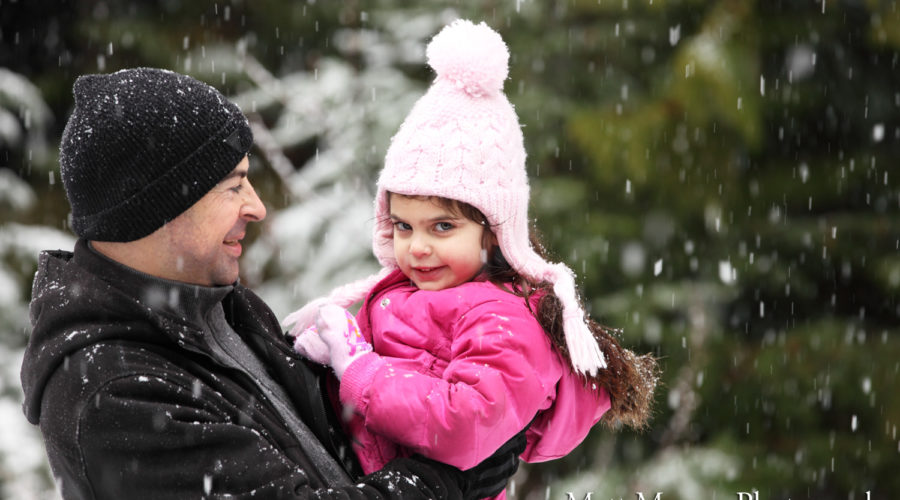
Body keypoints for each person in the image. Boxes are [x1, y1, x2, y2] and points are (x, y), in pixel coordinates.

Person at [19, 67, 524, 500]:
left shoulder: (215, 308)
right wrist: (450, 478)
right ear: (161, 204)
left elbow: (336, 446)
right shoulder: (114, 398)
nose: (256, 207)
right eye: (234, 185)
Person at [284, 19, 658, 497]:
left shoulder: (503, 320)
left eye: (443, 226)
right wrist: (331, 367)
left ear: (494, 232)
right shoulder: (407, 291)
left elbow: (464, 428)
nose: (417, 247)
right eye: (403, 225)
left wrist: (358, 368)